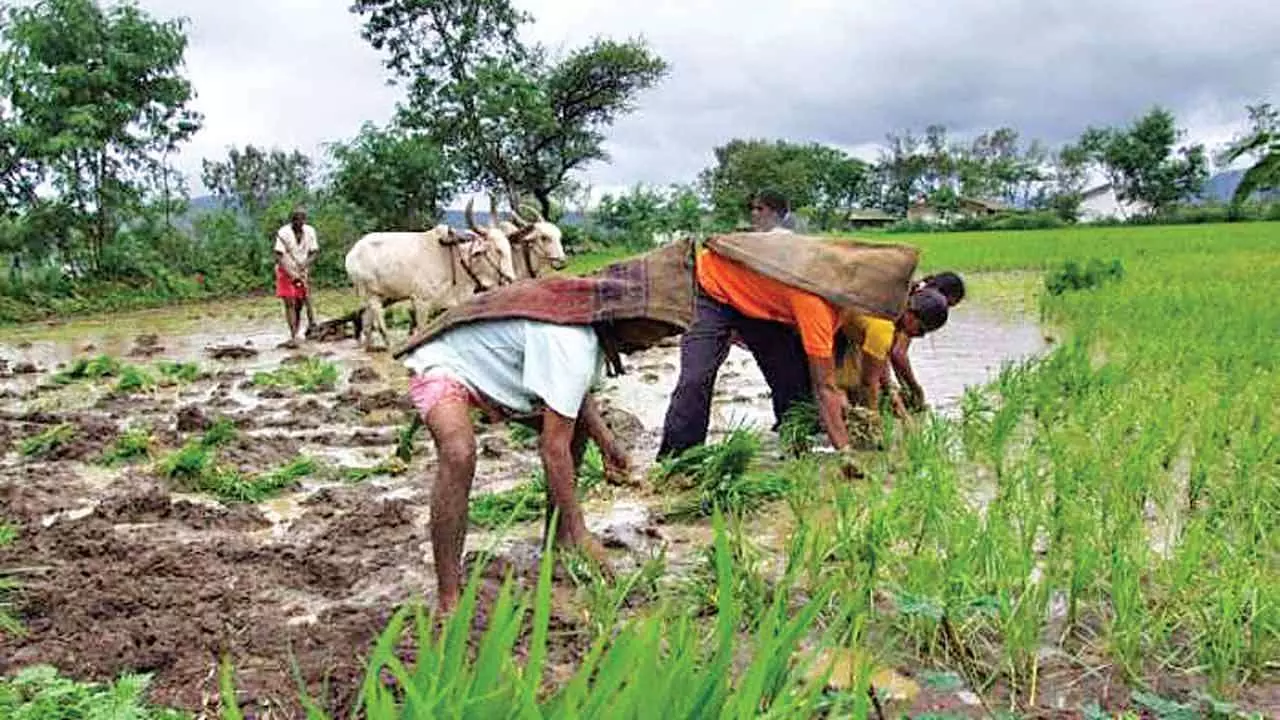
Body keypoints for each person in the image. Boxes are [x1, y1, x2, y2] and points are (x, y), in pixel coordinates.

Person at [392, 239, 696, 614]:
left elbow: (573, 396)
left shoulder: (591, 335)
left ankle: (559, 539)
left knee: (576, 430)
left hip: (502, 378)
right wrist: (584, 531)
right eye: (658, 330)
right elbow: (553, 449)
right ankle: (449, 596)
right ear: (632, 317)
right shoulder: (573, 341)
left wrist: (607, 442)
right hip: (446, 366)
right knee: (459, 453)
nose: (658, 341)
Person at [656, 232, 921, 470]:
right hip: (712, 287)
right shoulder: (817, 303)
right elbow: (825, 386)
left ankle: (796, 443)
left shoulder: (844, 299)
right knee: (697, 377)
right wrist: (846, 453)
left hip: (761, 304)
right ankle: (679, 461)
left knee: (790, 376)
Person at [835, 286, 950, 418]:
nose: (919, 336)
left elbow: (881, 363)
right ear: (911, 315)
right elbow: (868, 382)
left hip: (846, 328)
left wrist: (890, 391)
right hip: (835, 329)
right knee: (841, 391)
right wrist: (873, 418)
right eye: (921, 330)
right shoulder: (883, 328)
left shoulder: (890, 306)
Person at [881, 272, 966, 412]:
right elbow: (897, 354)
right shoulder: (921, 306)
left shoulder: (913, 296)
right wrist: (914, 388)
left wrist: (903, 387)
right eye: (948, 304)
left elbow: (889, 352)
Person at [274, 206, 319, 347]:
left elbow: (314, 252)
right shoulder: (283, 233)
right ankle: (294, 335)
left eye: (302, 219)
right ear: (292, 221)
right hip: (285, 269)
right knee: (290, 302)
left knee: (300, 303)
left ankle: (300, 329)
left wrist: (305, 264)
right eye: (296, 220)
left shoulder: (310, 231)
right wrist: (291, 273)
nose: (299, 222)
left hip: (302, 270)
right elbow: (278, 256)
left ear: (305, 221)